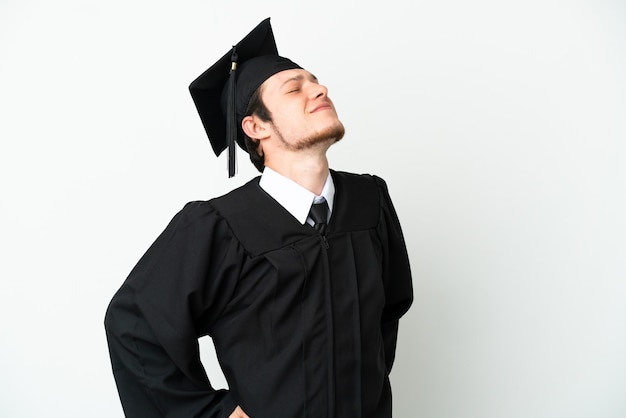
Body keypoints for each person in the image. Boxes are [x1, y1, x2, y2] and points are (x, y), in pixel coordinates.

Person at [104, 18, 413, 418]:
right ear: (255, 126)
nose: (320, 89)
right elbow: (133, 326)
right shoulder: (220, 225)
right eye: (294, 87)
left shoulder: (369, 202)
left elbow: (387, 315)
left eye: (315, 81)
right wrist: (214, 413)